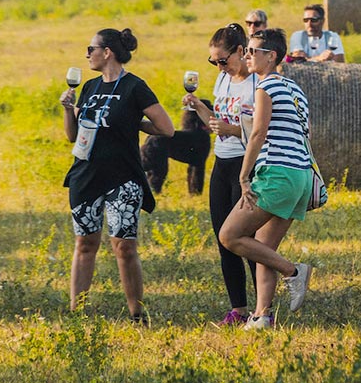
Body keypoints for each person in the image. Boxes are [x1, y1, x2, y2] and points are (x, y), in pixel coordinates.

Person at [59, 27, 175, 322]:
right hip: (85, 175)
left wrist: (135, 124)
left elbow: (166, 128)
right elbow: (73, 135)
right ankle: (77, 312)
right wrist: (67, 109)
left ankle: (137, 313)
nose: (87, 54)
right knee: (85, 243)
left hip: (123, 176)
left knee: (124, 245)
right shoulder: (90, 87)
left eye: (91, 49)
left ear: (106, 52)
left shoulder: (135, 87)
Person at [217, 28, 314, 328]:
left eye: (252, 51)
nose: (247, 56)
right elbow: (307, 134)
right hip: (300, 177)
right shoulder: (295, 90)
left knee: (230, 236)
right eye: (246, 51)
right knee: (263, 248)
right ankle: (261, 316)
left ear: (271, 56)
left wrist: (245, 176)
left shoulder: (266, 86)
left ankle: (294, 271)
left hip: (277, 174)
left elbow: (257, 133)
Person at [183, 22, 260, 326]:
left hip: (246, 164)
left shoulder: (257, 84)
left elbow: (259, 132)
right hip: (222, 162)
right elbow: (217, 121)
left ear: (241, 51)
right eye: (212, 62)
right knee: (223, 238)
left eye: (223, 61)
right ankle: (238, 309)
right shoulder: (222, 82)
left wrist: (231, 130)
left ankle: (261, 307)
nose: (219, 67)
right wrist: (198, 109)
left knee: (247, 238)